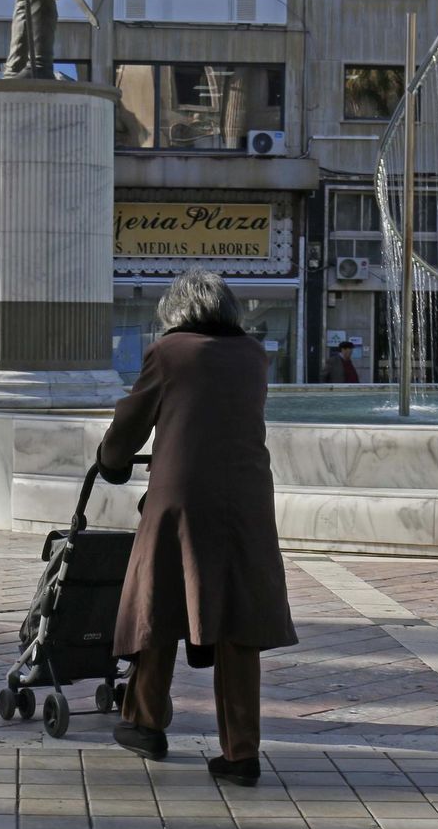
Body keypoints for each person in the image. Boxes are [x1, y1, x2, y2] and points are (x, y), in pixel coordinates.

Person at [96, 270, 298, 788]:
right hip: (248, 499)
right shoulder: (254, 355)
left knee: (158, 603)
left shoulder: (170, 352)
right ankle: (241, 753)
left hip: (180, 497)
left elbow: (133, 418)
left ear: (176, 309)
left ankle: (144, 723)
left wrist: (113, 459)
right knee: (236, 619)